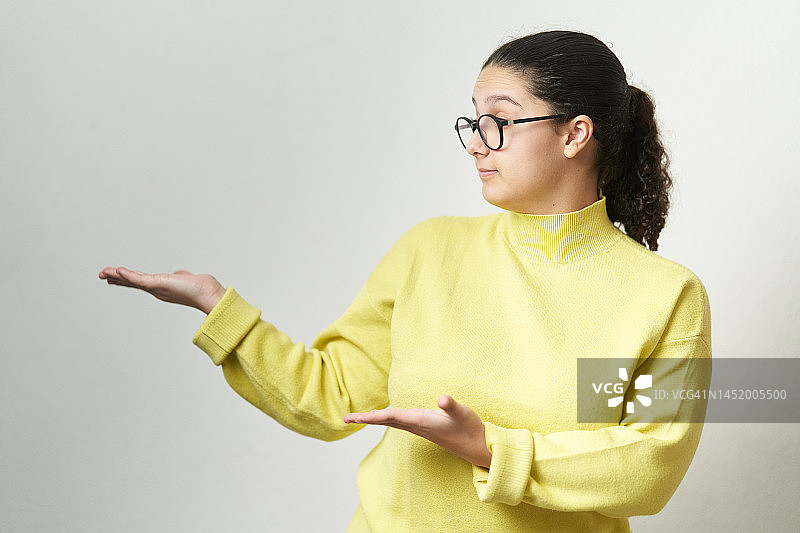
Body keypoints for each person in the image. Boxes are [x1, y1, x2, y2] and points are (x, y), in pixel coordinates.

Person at [98, 29, 712, 533]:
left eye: (499, 120)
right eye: (472, 121)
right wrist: (219, 309)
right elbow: (334, 399)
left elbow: (649, 465)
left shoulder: (663, 295)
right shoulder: (429, 248)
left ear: (575, 134)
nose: (477, 143)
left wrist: (489, 448)